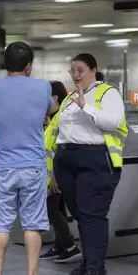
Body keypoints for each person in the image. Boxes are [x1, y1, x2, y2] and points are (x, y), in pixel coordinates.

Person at [45, 53, 127, 275]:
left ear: (93, 69)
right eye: (72, 71)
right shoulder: (70, 96)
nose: (76, 75)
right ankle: (89, 261)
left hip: (95, 159)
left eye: (80, 70)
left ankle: (95, 268)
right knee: (80, 214)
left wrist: (85, 107)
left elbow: (114, 122)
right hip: (66, 161)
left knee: (92, 215)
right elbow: (56, 129)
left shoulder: (107, 93)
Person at [0, 42, 53, 275]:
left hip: (3, 164)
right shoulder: (43, 87)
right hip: (33, 164)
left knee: (0, 224)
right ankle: (32, 273)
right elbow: (49, 111)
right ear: (29, 67)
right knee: (33, 224)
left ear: (5, 64)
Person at [39, 81, 82, 263]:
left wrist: (55, 177)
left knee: (51, 210)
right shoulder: (52, 118)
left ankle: (71, 247)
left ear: (54, 97)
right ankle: (60, 246)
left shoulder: (60, 118)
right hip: (51, 172)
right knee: (58, 209)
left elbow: (58, 149)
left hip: (55, 174)